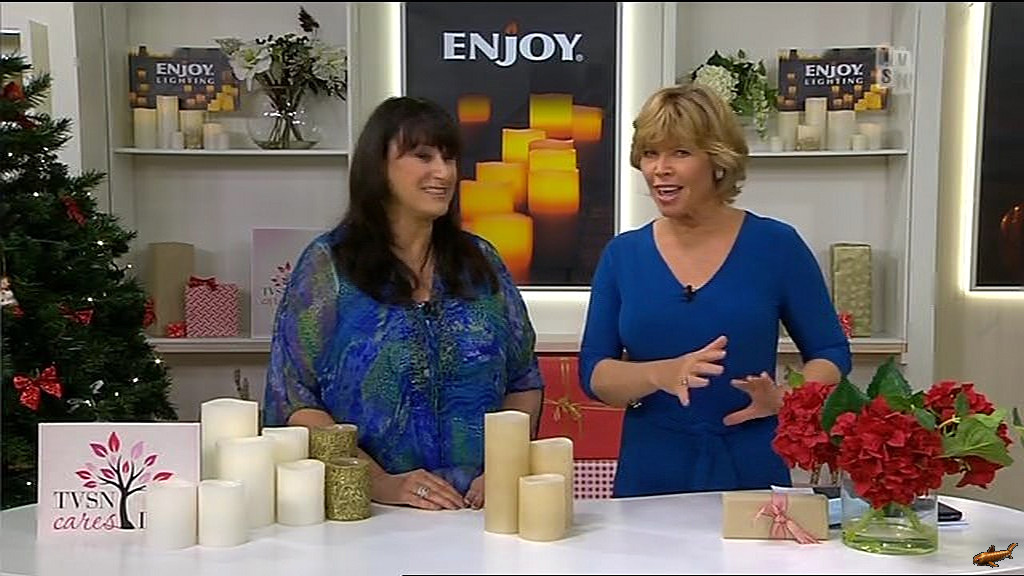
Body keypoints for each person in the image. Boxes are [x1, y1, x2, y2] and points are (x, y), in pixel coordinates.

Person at [263, 96, 544, 511]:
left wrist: (503, 467)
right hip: (371, 513)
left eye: (449, 158)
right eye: (423, 156)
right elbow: (294, 399)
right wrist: (380, 483)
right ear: (379, 166)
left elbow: (523, 382)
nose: (443, 172)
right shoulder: (329, 265)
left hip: (479, 510)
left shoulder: (481, 263)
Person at [578, 84, 852, 498]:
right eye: (650, 153)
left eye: (680, 153)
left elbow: (831, 351)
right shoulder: (623, 255)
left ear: (718, 160)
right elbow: (594, 373)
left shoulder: (776, 246)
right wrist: (660, 373)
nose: (660, 169)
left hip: (750, 463)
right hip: (651, 470)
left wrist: (787, 398)